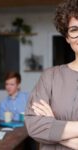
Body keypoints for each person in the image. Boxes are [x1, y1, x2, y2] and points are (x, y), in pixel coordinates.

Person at [25, 0, 78, 149]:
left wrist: (53, 127)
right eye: (74, 30)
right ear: (67, 37)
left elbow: (44, 129)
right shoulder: (50, 77)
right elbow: (34, 126)